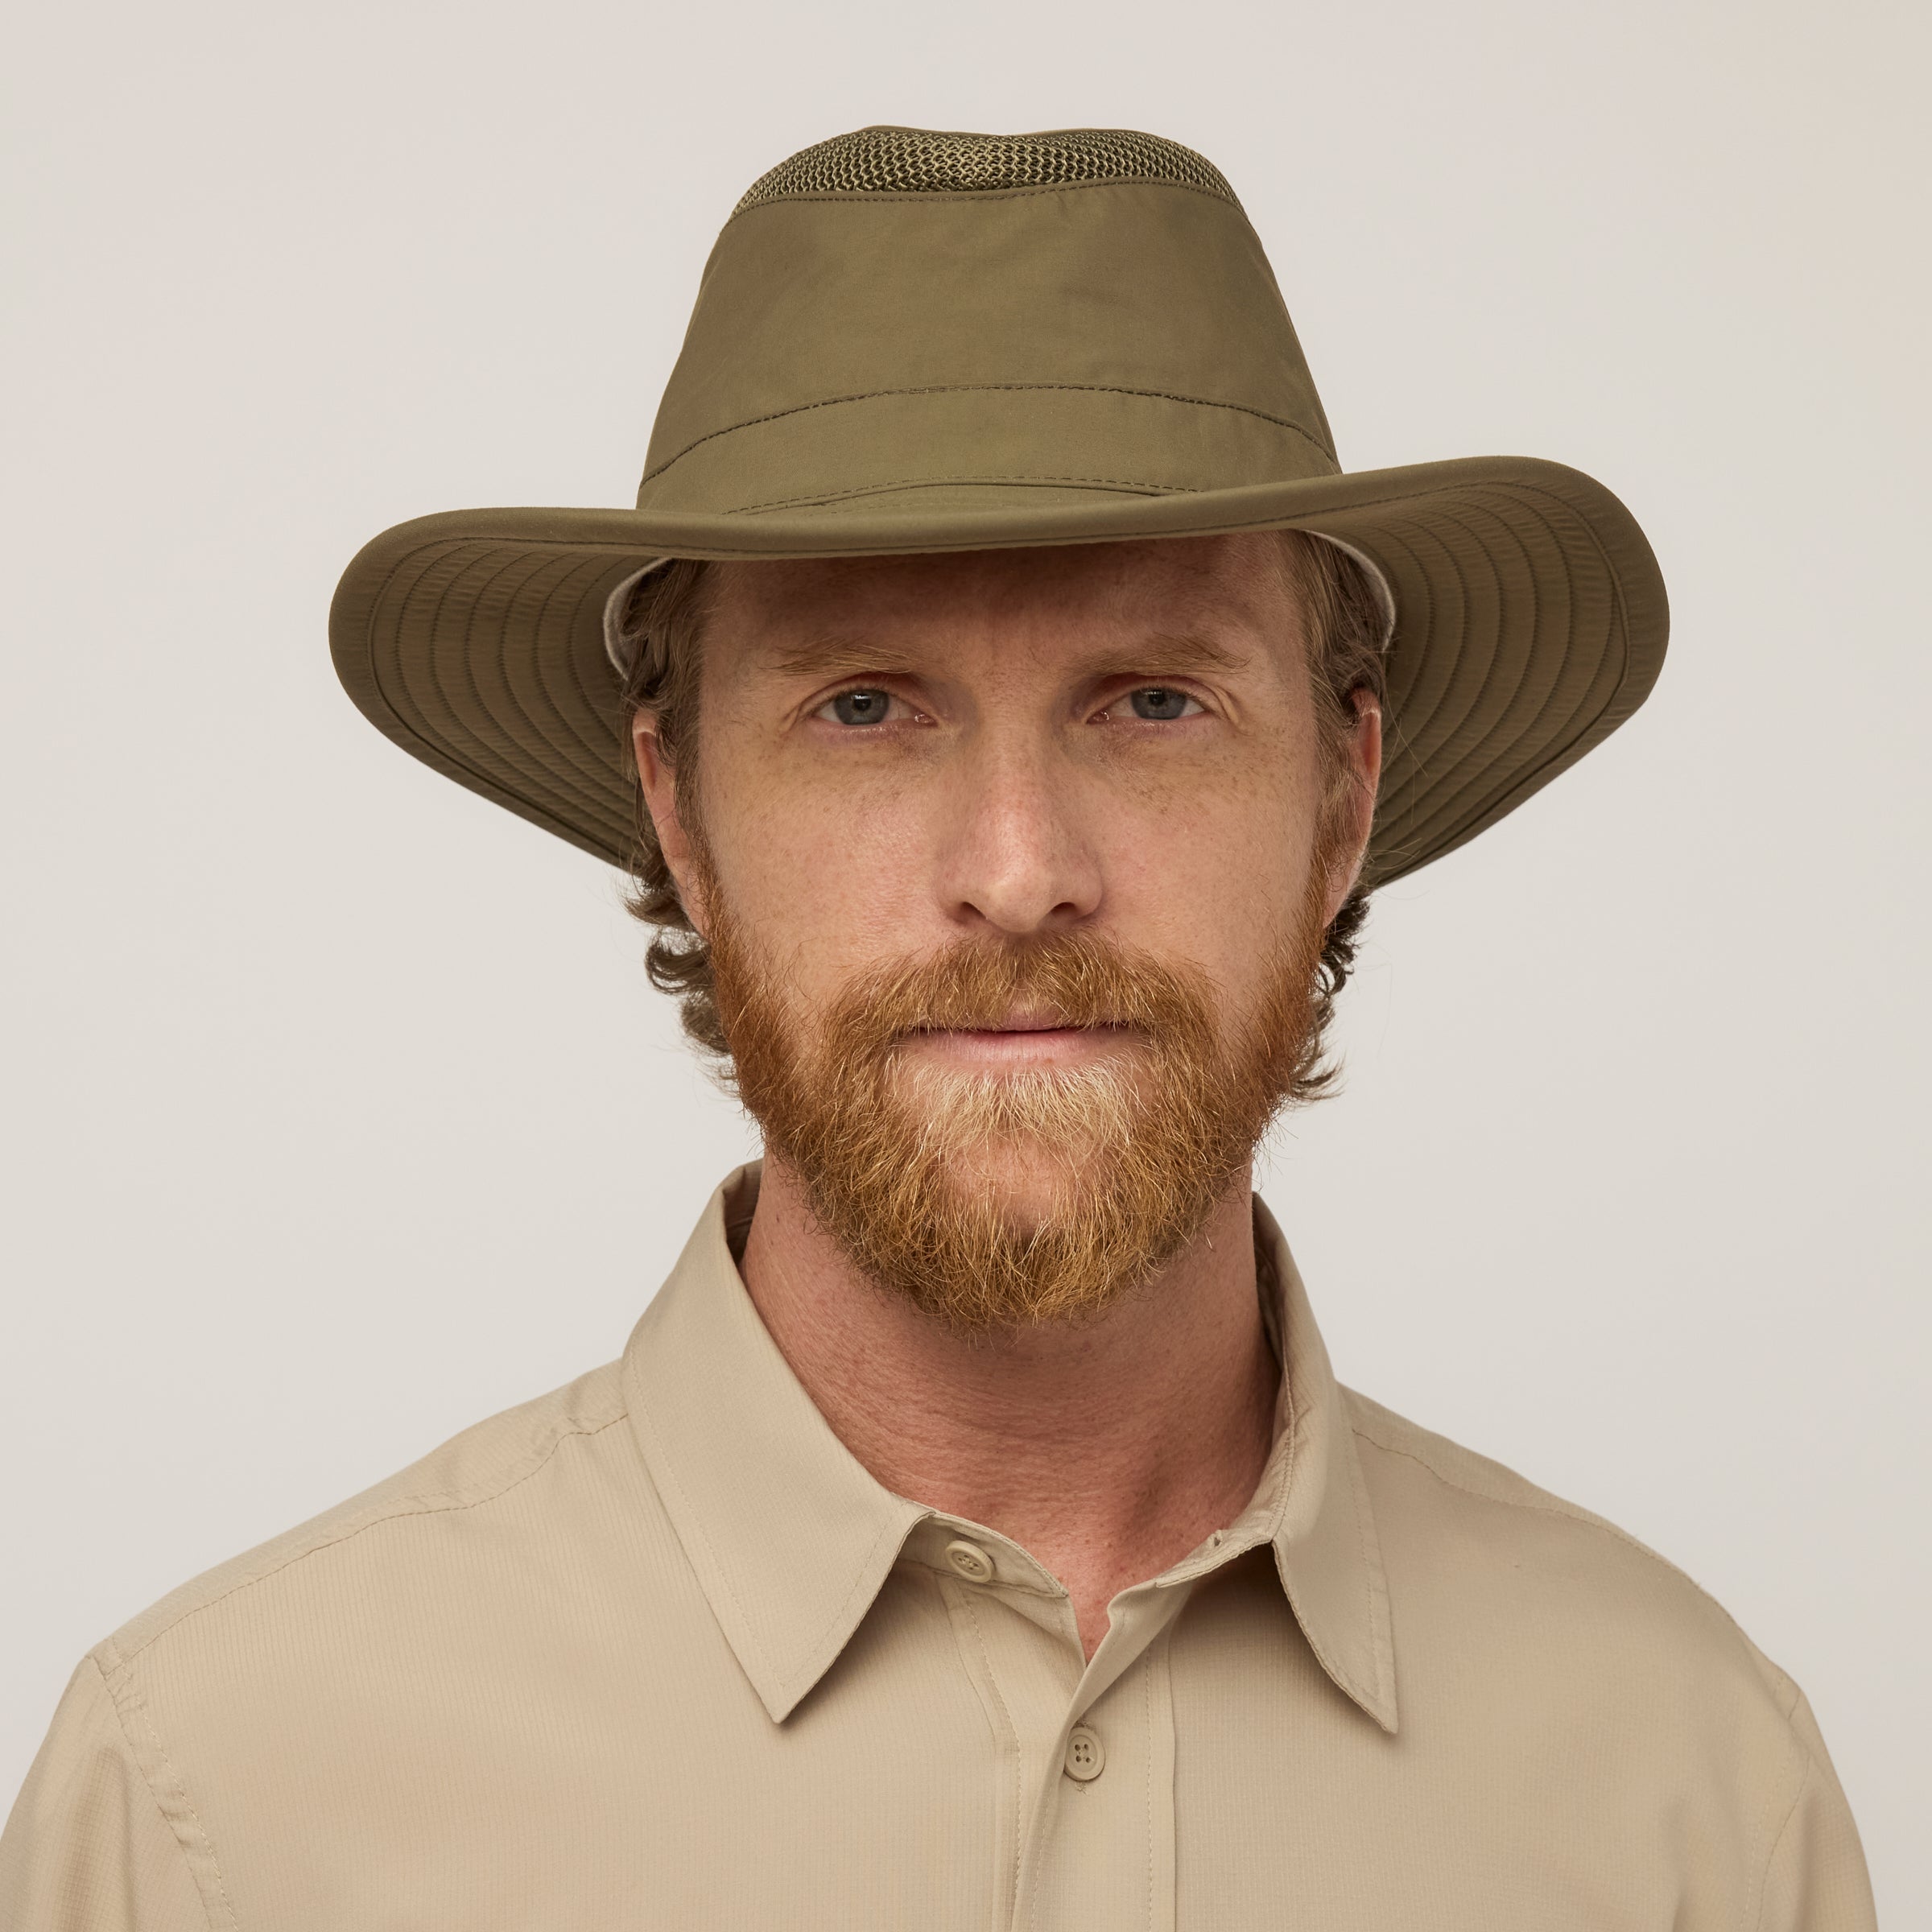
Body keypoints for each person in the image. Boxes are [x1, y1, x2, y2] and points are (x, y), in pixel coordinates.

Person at [0, 125, 1876, 1930]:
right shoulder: (221, 1812)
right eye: (864, 707)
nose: (1020, 871)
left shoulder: (1693, 1794)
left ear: (1342, 797)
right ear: (676, 808)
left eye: (1154, 701)